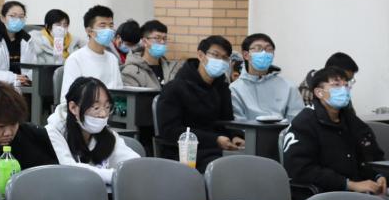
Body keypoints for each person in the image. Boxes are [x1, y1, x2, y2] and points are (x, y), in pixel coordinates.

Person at [283, 67, 386, 200]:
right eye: (336, 85)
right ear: (319, 92)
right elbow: (301, 169)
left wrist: (378, 176)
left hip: (358, 193)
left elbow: (367, 156)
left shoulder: (350, 119)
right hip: (323, 196)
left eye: (346, 85)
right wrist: (350, 184)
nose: (343, 89)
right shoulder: (304, 122)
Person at [156, 35, 245, 172]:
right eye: (215, 55)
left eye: (225, 58)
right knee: (228, 169)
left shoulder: (222, 88)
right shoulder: (175, 88)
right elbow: (170, 131)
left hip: (219, 149)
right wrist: (215, 140)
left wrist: (235, 136)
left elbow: (226, 121)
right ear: (200, 55)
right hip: (184, 151)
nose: (220, 61)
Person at [46, 77, 140, 185]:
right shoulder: (53, 132)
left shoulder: (108, 135)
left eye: (107, 107)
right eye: (96, 108)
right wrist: (114, 175)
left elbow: (135, 164)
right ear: (73, 108)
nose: (103, 114)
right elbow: (69, 169)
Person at [230, 33, 305, 121]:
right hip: (248, 130)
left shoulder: (288, 86)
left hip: (284, 129)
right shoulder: (235, 89)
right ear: (246, 55)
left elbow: (298, 119)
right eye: (258, 48)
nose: (264, 53)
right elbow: (238, 122)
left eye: (269, 49)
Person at [59, 5, 124, 97]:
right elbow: (67, 98)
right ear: (89, 31)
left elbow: (119, 92)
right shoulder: (75, 59)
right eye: (103, 26)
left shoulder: (112, 59)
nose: (108, 30)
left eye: (111, 25)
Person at [120, 20, 183, 89]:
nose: (162, 42)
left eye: (164, 38)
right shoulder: (131, 71)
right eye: (157, 38)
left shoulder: (171, 68)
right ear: (144, 42)